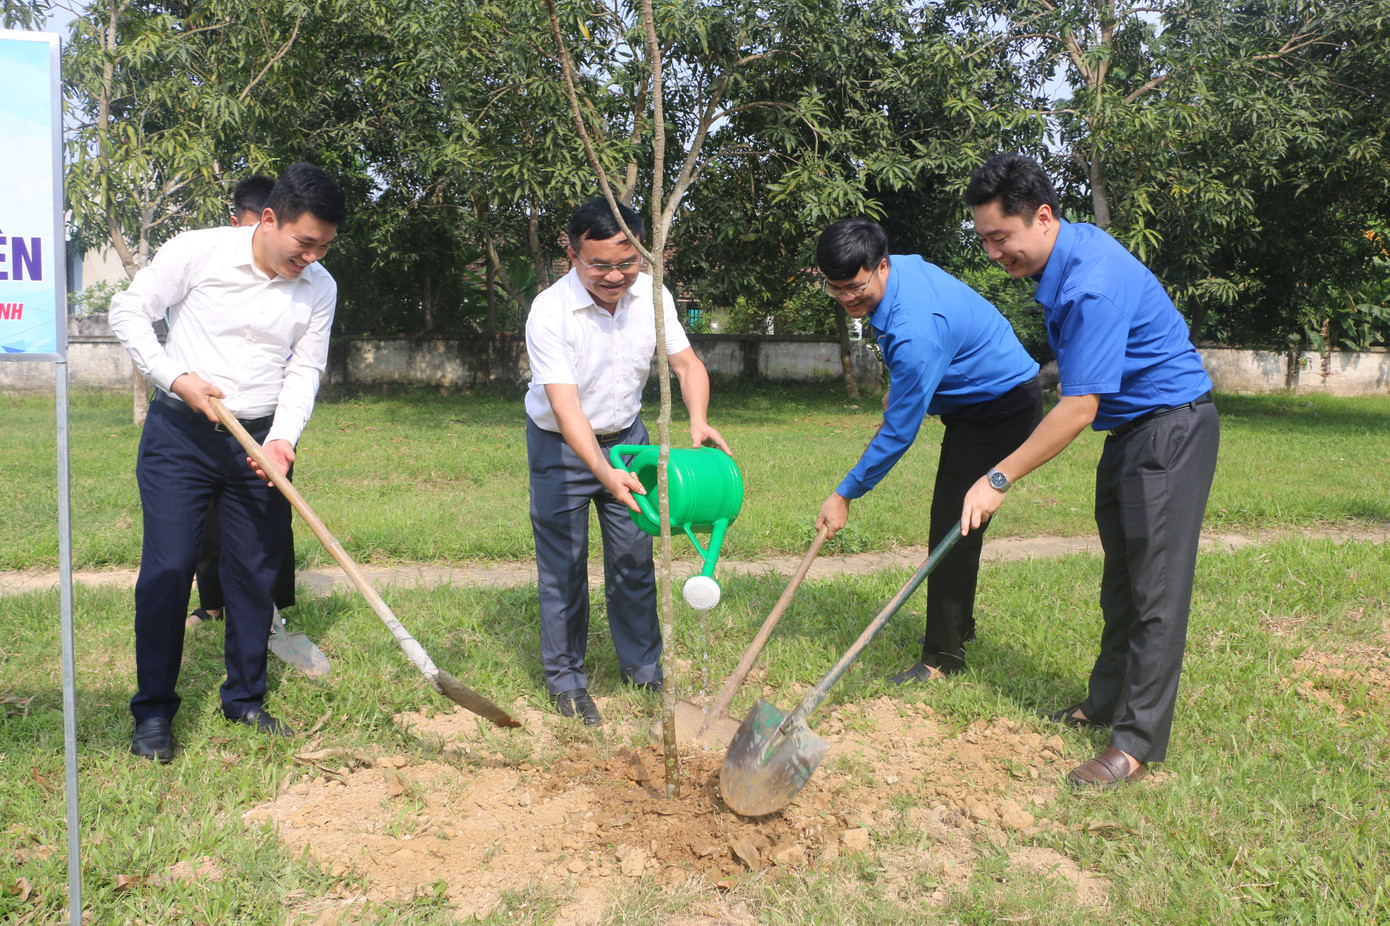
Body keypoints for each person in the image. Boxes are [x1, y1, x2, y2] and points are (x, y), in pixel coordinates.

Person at [961, 153, 1219, 790]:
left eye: (1002, 237)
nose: (995, 252)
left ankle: (1134, 744)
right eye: (985, 239)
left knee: (1156, 591)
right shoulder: (1066, 259)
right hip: (1132, 432)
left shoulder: (1089, 282)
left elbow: (1077, 408)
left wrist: (997, 478)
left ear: (1042, 217)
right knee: (1123, 580)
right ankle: (1104, 702)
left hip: (1170, 428)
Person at [110, 162, 347, 763]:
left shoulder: (320, 287)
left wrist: (283, 440)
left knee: (253, 573)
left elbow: (304, 369)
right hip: (181, 434)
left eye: (324, 247)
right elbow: (128, 311)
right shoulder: (197, 252)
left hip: (260, 440)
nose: (312, 257)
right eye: (304, 242)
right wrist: (175, 376)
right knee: (168, 569)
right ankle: (154, 712)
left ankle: (243, 698)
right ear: (269, 219)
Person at [525, 196, 729, 726]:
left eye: (627, 262)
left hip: (632, 444)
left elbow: (688, 367)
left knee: (635, 562)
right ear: (571, 255)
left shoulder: (652, 296)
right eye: (599, 264)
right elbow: (566, 410)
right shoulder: (550, 312)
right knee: (563, 570)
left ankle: (644, 670)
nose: (615, 276)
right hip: (562, 448)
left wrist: (699, 420)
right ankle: (566, 683)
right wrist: (602, 472)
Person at [814, 219, 1044, 683]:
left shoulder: (913, 329)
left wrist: (845, 494)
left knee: (953, 529)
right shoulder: (903, 271)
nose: (846, 299)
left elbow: (899, 432)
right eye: (834, 290)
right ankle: (960, 626)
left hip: (1001, 408)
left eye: (855, 287)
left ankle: (943, 658)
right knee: (958, 522)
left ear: (881, 266)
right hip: (975, 402)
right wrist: (912, 391)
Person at [186, 173, 298, 631]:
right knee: (207, 528)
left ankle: (266, 610)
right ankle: (213, 600)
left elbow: (303, 366)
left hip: (264, 428)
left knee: (267, 523)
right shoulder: (207, 262)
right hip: (201, 423)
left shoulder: (303, 284)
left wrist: (283, 431)